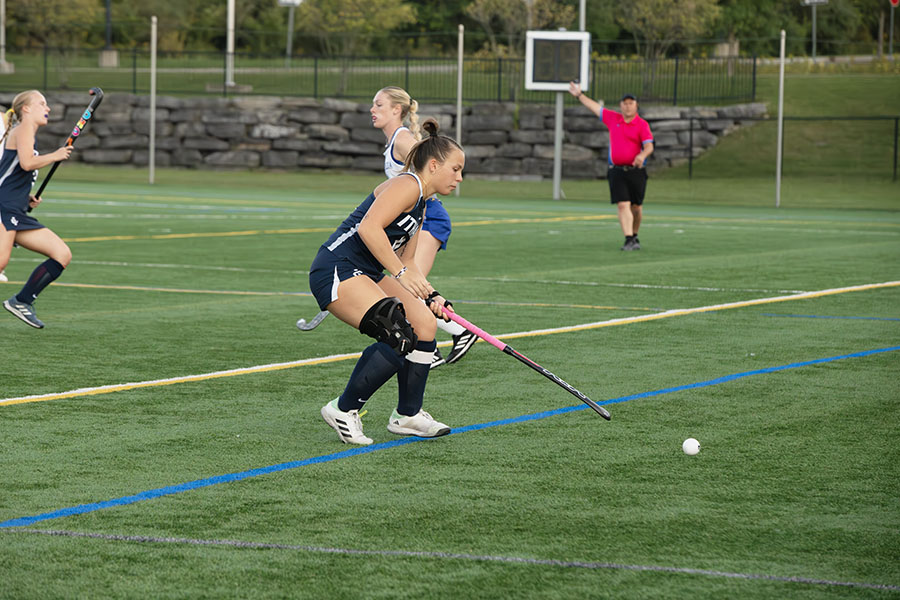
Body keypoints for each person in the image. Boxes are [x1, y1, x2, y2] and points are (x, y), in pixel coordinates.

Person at [309, 119, 464, 445]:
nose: (459, 178)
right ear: (434, 165)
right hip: (337, 267)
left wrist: (433, 295)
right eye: (455, 169)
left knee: (423, 322)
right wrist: (403, 274)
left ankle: (407, 415)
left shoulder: (422, 203)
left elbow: (408, 261)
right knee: (397, 333)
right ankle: (343, 409)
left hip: (366, 271)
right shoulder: (406, 185)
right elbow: (369, 229)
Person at [370, 86, 477, 368]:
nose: (373, 110)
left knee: (407, 286)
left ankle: (451, 334)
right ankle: (437, 341)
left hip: (428, 217)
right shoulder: (395, 140)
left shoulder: (402, 140)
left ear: (397, 110)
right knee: (404, 287)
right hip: (414, 219)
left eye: (379, 105)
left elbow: (431, 163)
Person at [1, 90, 73, 328]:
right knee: (0, 261)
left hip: (16, 210)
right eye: (42, 103)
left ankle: (21, 301)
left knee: (62, 254)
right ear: (26, 109)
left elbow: (14, 174)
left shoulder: (29, 134)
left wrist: (27, 197)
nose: (48, 108)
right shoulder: (22, 129)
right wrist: (55, 155)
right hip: (3, 206)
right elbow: (27, 163)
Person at [568, 83, 654, 251]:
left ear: (636, 106)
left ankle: (634, 235)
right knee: (623, 204)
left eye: (631, 103)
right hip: (616, 170)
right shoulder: (613, 118)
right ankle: (628, 239)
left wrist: (641, 156)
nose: (628, 106)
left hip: (636, 171)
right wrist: (579, 95)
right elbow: (595, 107)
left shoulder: (642, 125)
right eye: (625, 103)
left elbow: (649, 146)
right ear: (620, 105)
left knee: (636, 207)